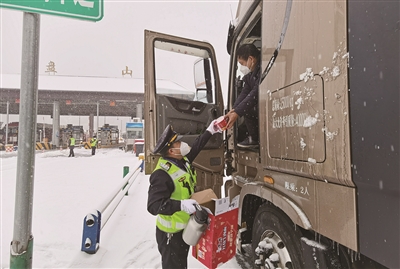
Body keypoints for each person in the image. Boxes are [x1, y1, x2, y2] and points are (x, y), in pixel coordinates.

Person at [147, 121, 221, 269]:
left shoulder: (182, 161)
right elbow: (153, 206)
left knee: (181, 265)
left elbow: (197, 146)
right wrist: (180, 205)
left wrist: (210, 130)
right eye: (178, 143)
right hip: (170, 236)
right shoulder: (162, 174)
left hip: (183, 230)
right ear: (171, 151)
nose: (182, 144)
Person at [224, 43, 261, 148]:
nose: (241, 67)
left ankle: (254, 139)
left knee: (248, 109)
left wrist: (238, 113)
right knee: (244, 108)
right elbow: (245, 93)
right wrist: (233, 110)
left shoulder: (262, 70)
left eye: (241, 63)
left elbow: (255, 93)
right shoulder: (250, 75)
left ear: (251, 59)